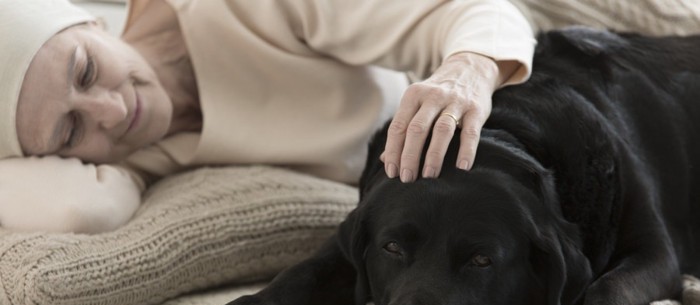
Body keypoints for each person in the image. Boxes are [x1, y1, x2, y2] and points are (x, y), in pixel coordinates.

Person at [0, 0, 536, 233]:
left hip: (491, 82)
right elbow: (77, 211)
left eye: (87, 70)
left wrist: (467, 69)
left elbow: (470, 15)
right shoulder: (133, 155)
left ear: (95, 23)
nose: (113, 113)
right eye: (70, 129)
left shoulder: (238, 11)